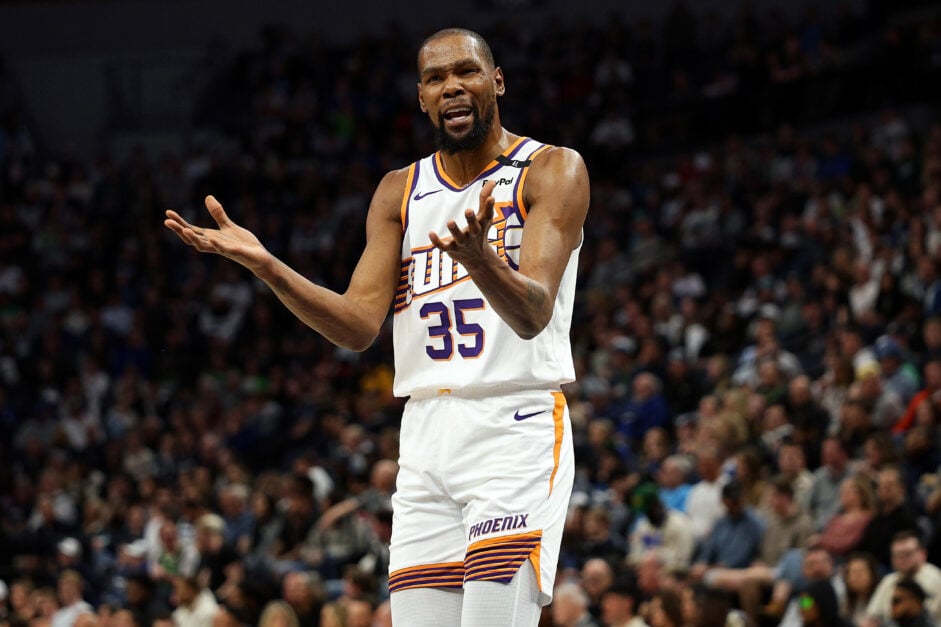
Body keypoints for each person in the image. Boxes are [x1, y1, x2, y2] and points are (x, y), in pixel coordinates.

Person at [165, 27, 589, 627]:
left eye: (466, 72)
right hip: (424, 434)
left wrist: (481, 261)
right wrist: (267, 266)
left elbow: (534, 313)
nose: (452, 87)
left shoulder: (552, 169)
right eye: (436, 78)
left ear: (496, 82)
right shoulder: (399, 190)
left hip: (513, 424)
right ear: (421, 98)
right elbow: (358, 326)